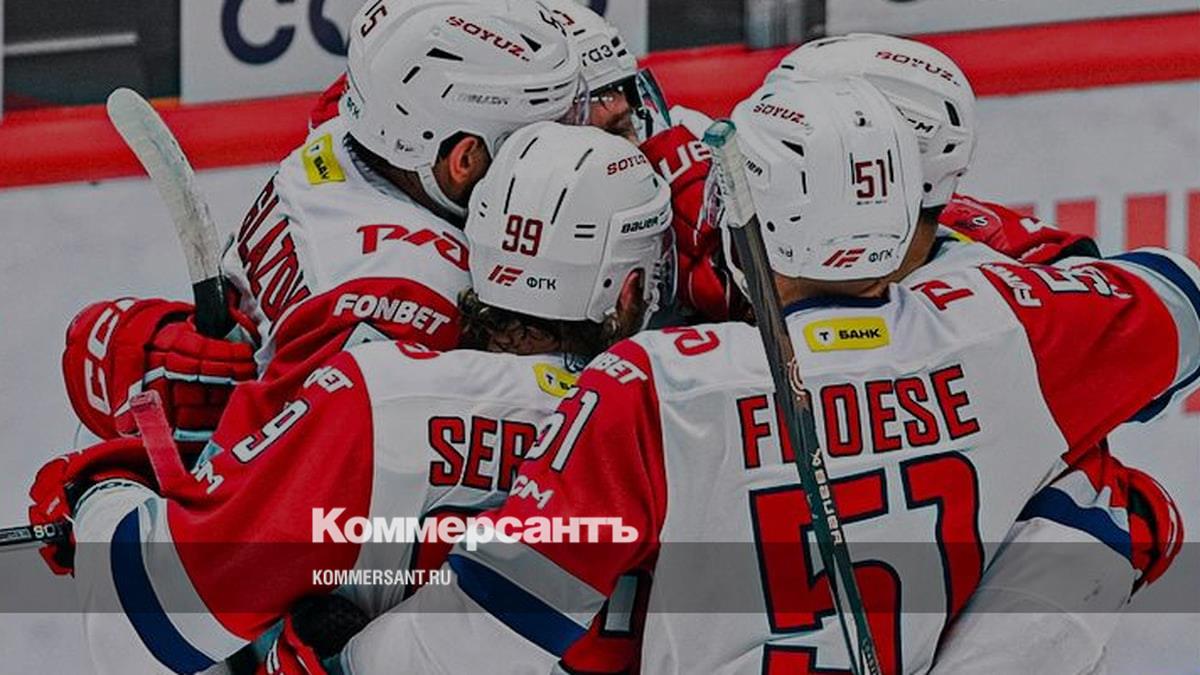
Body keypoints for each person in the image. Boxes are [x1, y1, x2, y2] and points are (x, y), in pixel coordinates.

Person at [328, 77, 1200, 674]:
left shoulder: (657, 385)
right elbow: (1180, 295)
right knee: (1098, 500)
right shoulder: (1004, 325)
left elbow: (489, 633)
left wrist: (339, 652)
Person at [27, 122, 673, 674]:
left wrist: (105, 486)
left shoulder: (382, 400)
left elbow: (142, 626)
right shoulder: (687, 408)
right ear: (628, 289)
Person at [59, 0, 587, 448]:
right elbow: (297, 495)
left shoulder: (360, 122)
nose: (577, 142)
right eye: (547, 132)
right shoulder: (403, 308)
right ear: (464, 160)